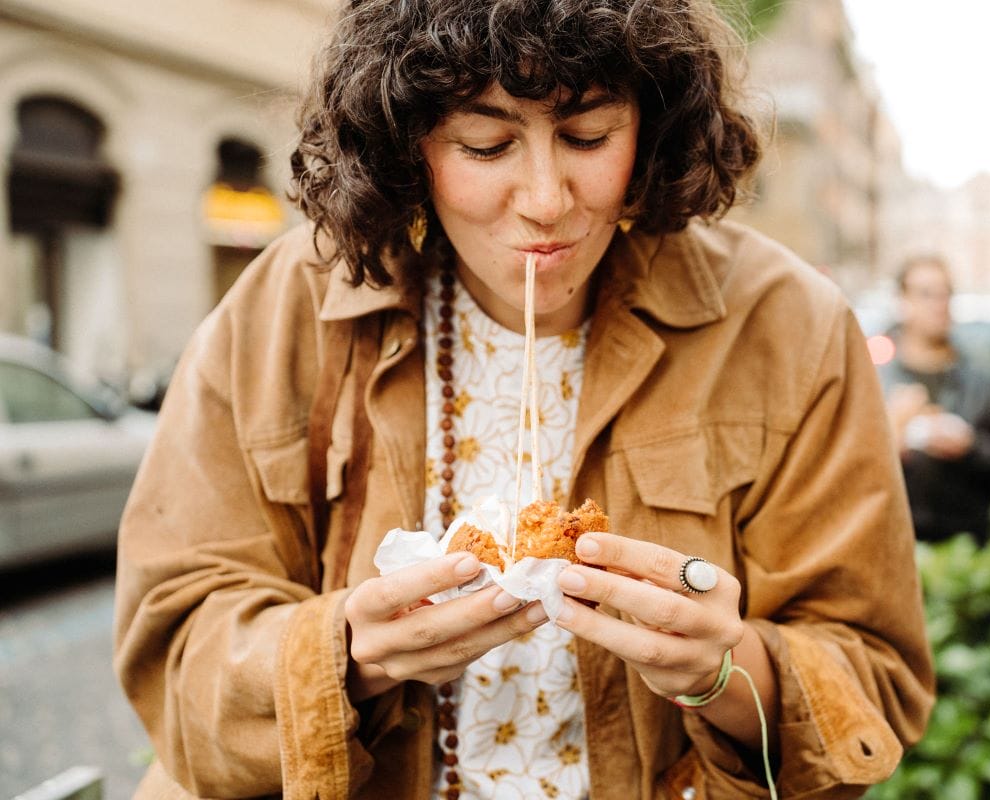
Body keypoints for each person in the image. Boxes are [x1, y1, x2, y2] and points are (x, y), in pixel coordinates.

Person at [113, 2, 934, 798]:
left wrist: (726, 668)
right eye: (485, 144)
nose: (546, 199)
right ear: (409, 144)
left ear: (650, 128)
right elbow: (173, 649)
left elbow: (876, 684)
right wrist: (349, 655)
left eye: (588, 136)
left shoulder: (787, 324)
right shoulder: (283, 313)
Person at [879, 255, 990, 546]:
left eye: (946, 294)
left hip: (967, 547)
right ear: (901, 300)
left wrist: (971, 447)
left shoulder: (987, 380)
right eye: (926, 293)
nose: (938, 304)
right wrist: (891, 440)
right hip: (893, 546)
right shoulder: (875, 382)